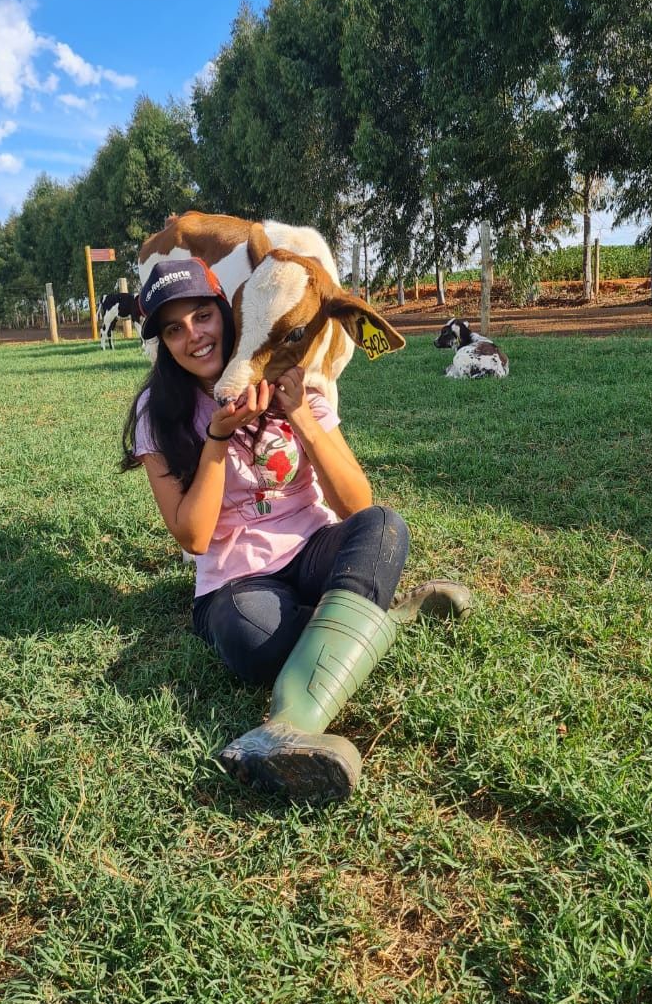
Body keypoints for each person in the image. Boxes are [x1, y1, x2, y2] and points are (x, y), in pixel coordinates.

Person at [122, 256, 471, 803]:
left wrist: (300, 416)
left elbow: (357, 503)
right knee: (251, 639)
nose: (193, 336)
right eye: (173, 329)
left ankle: (288, 724)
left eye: (202, 317)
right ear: (163, 343)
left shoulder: (295, 374)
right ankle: (386, 618)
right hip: (238, 581)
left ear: (228, 313)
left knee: (383, 529)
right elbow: (192, 538)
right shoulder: (158, 409)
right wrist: (216, 437)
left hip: (314, 548)